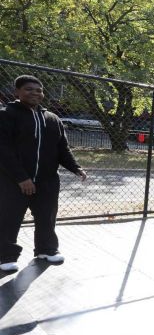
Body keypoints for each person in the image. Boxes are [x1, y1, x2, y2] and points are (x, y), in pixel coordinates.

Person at [0, 75, 87, 272]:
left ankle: (46, 250)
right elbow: (3, 151)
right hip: (13, 181)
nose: (35, 93)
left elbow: (62, 148)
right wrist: (22, 178)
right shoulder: (6, 115)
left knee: (47, 217)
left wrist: (76, 167)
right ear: (17, 92)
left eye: (39, 90)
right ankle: (6, 255)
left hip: (47, 181)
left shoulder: (52, 119)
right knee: (9, 218)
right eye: (29, 89)